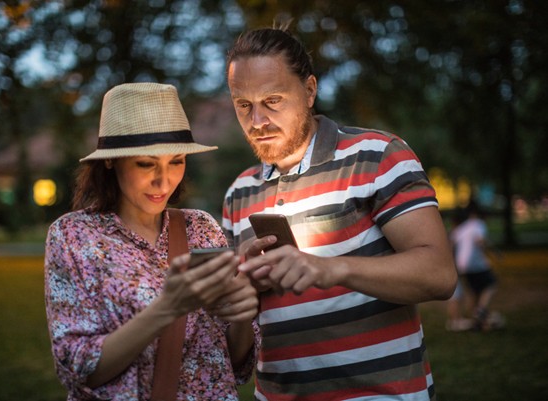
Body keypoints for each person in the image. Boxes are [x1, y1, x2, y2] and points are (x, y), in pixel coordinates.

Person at [221, 26, 458, 401]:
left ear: (309, 90)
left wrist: (331, 269)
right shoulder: (238, 192)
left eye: (273, 100)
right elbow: (234, 356)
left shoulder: (378, 156)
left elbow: (440, 276)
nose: (257, 121)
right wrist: (243, 289)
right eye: (244, 105)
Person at [44, 83, 259, 401]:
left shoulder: (201, 228)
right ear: (111, 161)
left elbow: (234, 366)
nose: (164, 180)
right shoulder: (73, 236)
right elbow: (78, 371)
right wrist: (166, 309)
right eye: (146, 163)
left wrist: (241, 313)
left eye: (176, 161)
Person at [450, 201, 505, 331]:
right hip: (475, 263)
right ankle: (481, 310)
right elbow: (480, 240)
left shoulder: (462, 228)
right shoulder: (478, 224)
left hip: (462, 265)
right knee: (491, 284)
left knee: (473, 292)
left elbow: (452, 242)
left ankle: (476, 321)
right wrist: (495, 252)